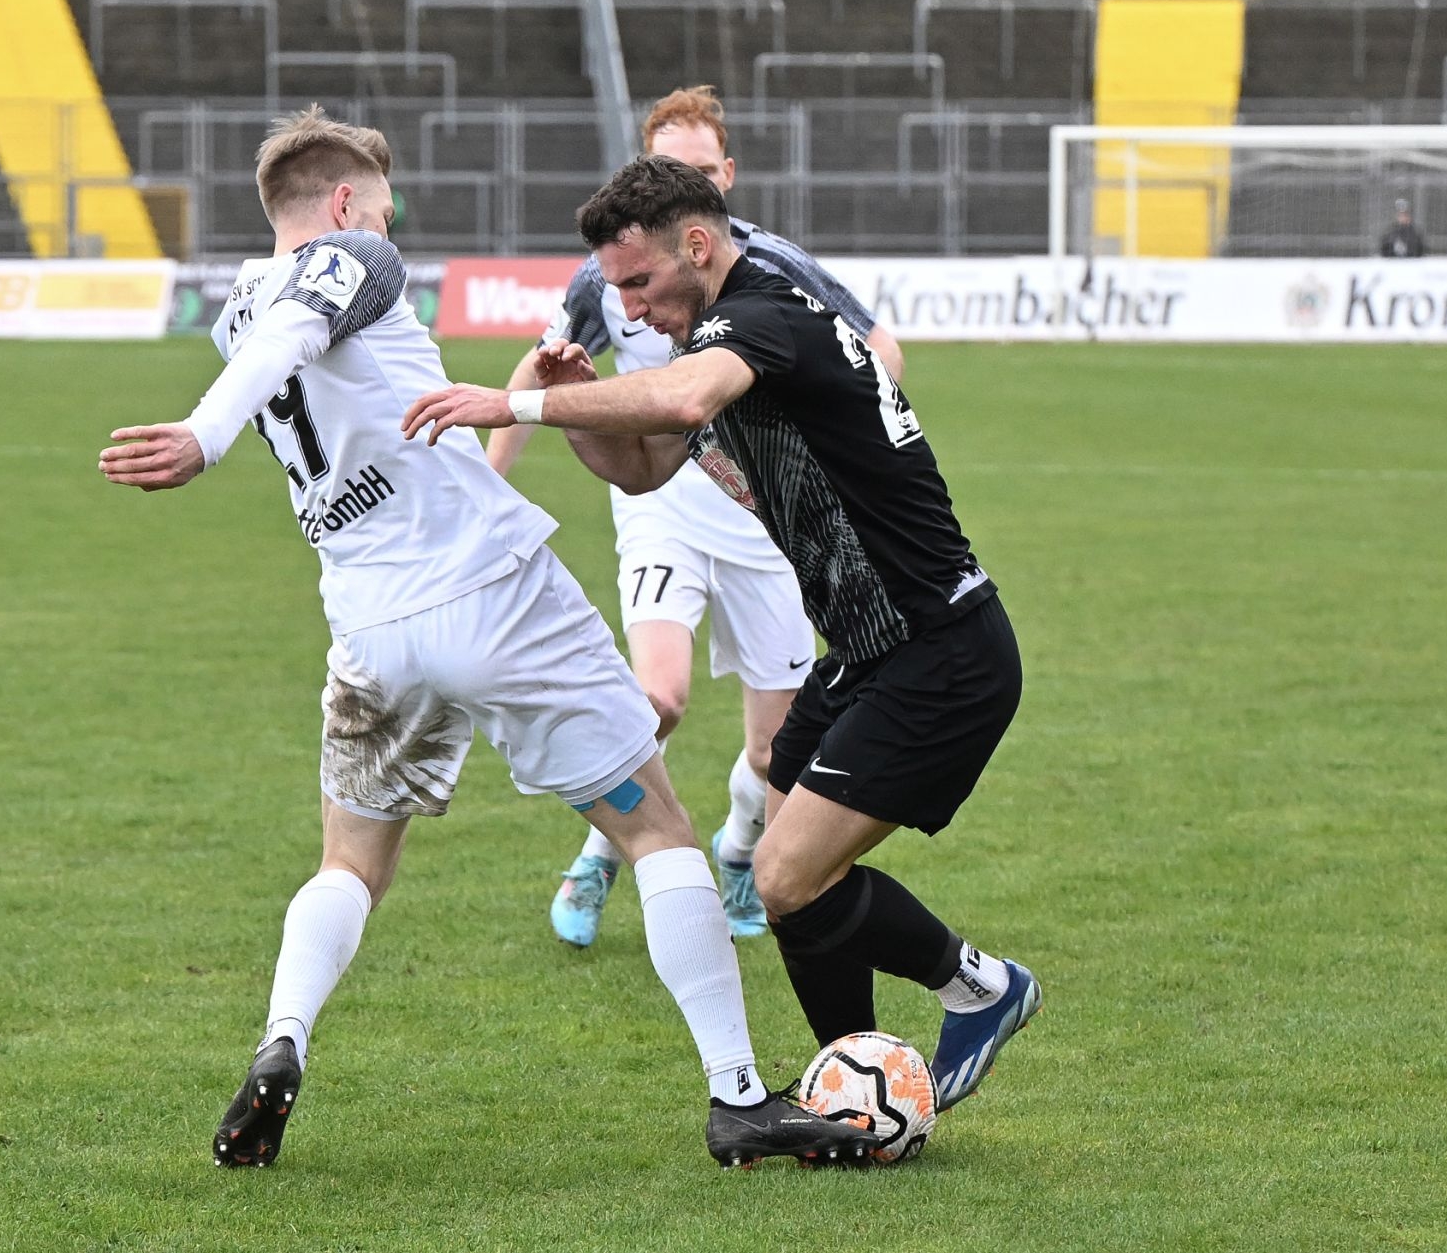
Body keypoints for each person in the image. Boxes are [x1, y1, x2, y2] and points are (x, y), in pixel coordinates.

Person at [97, 109, 875, 1170]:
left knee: (351, 861)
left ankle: (283, 1037)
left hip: (370, 625)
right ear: (339, 206)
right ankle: (738, 1095)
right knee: (657, 830)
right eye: (380, 202)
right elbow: (302, 329)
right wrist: (203, 435)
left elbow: (280, 336)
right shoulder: (352, 256)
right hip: (495, 593)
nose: (388, 226)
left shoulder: (237, 301)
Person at [403, 155, 1043, 1113]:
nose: (624, 305)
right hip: (870, 649)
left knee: (781, 874)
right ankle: (859, 1089)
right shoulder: (713, 333)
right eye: (612, 288)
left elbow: (682, 402)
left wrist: (517, 400)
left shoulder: (764, 312)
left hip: (938, 648)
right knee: (789, 851)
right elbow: (642, 468)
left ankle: (979, 986)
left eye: (637, 282)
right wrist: (578, 403)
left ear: (696, 245)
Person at [487, 85, 903, 950]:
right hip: (664, 499)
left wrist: (866, 438)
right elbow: (541, 371)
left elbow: (875, 344)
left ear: (725, 179)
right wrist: (489, 492)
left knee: (773, 750)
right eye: (669, 168)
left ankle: (741, 849)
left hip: (765, 524)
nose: (686, 182)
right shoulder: (611, 275)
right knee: (657, 697)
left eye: (700, 170)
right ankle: (604, 852)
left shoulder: (772, 271)